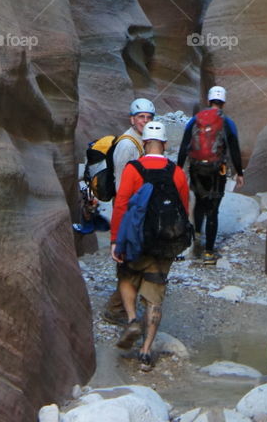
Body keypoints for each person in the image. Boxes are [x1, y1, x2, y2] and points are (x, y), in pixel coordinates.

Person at [110, 119, 190, 371]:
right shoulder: (176, 172)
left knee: (126, 277)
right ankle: (145, 352)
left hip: (136, 241)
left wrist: (115, 240)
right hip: (164, 244)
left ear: (144, 144)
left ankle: (132, 318)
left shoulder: (133, 170)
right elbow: (184, 208)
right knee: (155, 298)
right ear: (165, 144)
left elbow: (121, 205)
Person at [101, 97, 156, 323]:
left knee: (134, 258)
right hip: (128, 211)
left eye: (149, 117)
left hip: (137, 210)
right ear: (132, 118)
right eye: (141, 117)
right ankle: (117, 309)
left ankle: (125, 305)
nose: (145, 121)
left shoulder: (141, 140)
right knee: (128, 259)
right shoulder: (126, 145)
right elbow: (121, 187)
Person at [177, 85, 244, 264]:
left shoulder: (195, 120)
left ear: (208, 100)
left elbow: (185, 145)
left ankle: (198, 234)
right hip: (217, 170)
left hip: (196, 168)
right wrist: (238, 171)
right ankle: (208, 253)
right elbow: (234, 148)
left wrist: (178, 168)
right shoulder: (227, 122)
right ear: (223, 101)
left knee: (199, 200)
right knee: (213, 210)